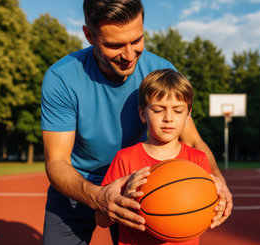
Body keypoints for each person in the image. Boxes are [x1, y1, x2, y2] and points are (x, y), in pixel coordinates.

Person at [40, 0, 232, 244]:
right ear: (89, 35)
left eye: (137, 40)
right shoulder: (62, 78)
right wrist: (100, 196)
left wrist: (218, 180)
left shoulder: (160, 71)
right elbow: (56, 161)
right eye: (115, 45)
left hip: (140, 182)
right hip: (77, 184)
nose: (129, 55)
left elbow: (192, 139)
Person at [96, 69, 224, 245]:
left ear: (188, 116)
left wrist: (217, 209)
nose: (168, 118)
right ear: (142, 114)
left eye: (178, 111)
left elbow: (208, 211)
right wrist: (124, 199)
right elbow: (101, 220)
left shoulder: (198, 160)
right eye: (158, 110)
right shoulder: (125, 158)